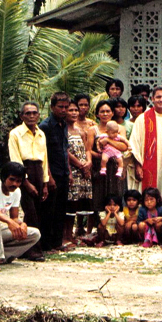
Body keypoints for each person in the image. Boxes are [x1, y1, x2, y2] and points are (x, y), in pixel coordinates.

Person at [8, 101, 48, 261]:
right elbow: (16, 160)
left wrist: (45, 183)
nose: (31, 116)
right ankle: (32, 250)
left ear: (39, 115)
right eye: (27, 113)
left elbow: (44, 159)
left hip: (39, 171)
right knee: (30, 212)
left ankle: (32, 244)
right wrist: (25, 182)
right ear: (21, 116)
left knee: (39, 212)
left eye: (34, 113)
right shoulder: (15, 134)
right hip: (23, 173)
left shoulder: (41, 133)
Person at [39, 92, 72, 252]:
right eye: (60, 107)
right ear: (52, 107)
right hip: (52, 174)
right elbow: (43, 154)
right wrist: (49, 177)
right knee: (48, 211)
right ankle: (46, 244)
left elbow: (65, 150)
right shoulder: (45, 126)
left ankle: (57, 243)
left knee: (61, 209)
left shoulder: (64, 124)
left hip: (64, 173)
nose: (64, 110)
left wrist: (70, 172)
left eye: (66, 107)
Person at [87, 101, 127, 224]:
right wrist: (99, 155)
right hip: (101, 165)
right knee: (98, 194)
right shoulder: (93, 130)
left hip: (116, 165)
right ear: (97, 114)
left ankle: (117, 227)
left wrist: (108, 141)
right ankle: (98, 227)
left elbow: (123, 147)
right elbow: (88, 150)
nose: (105, 114)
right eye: (102, 111)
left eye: (108, 111)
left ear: (112, 113)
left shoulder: (120, 128)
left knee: (117, 193)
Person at [65, 100, 92, 243]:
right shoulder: (63, 130)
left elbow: (87, 149)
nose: (74, 113)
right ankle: (66, 235)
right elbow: (66, 152)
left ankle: (75, 234)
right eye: (71, 110)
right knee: (70, 203)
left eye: (76, 110)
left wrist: (88, 162)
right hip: (73, 169)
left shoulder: (80, 131)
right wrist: (81, 165)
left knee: (78, 203)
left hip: (83, 171)